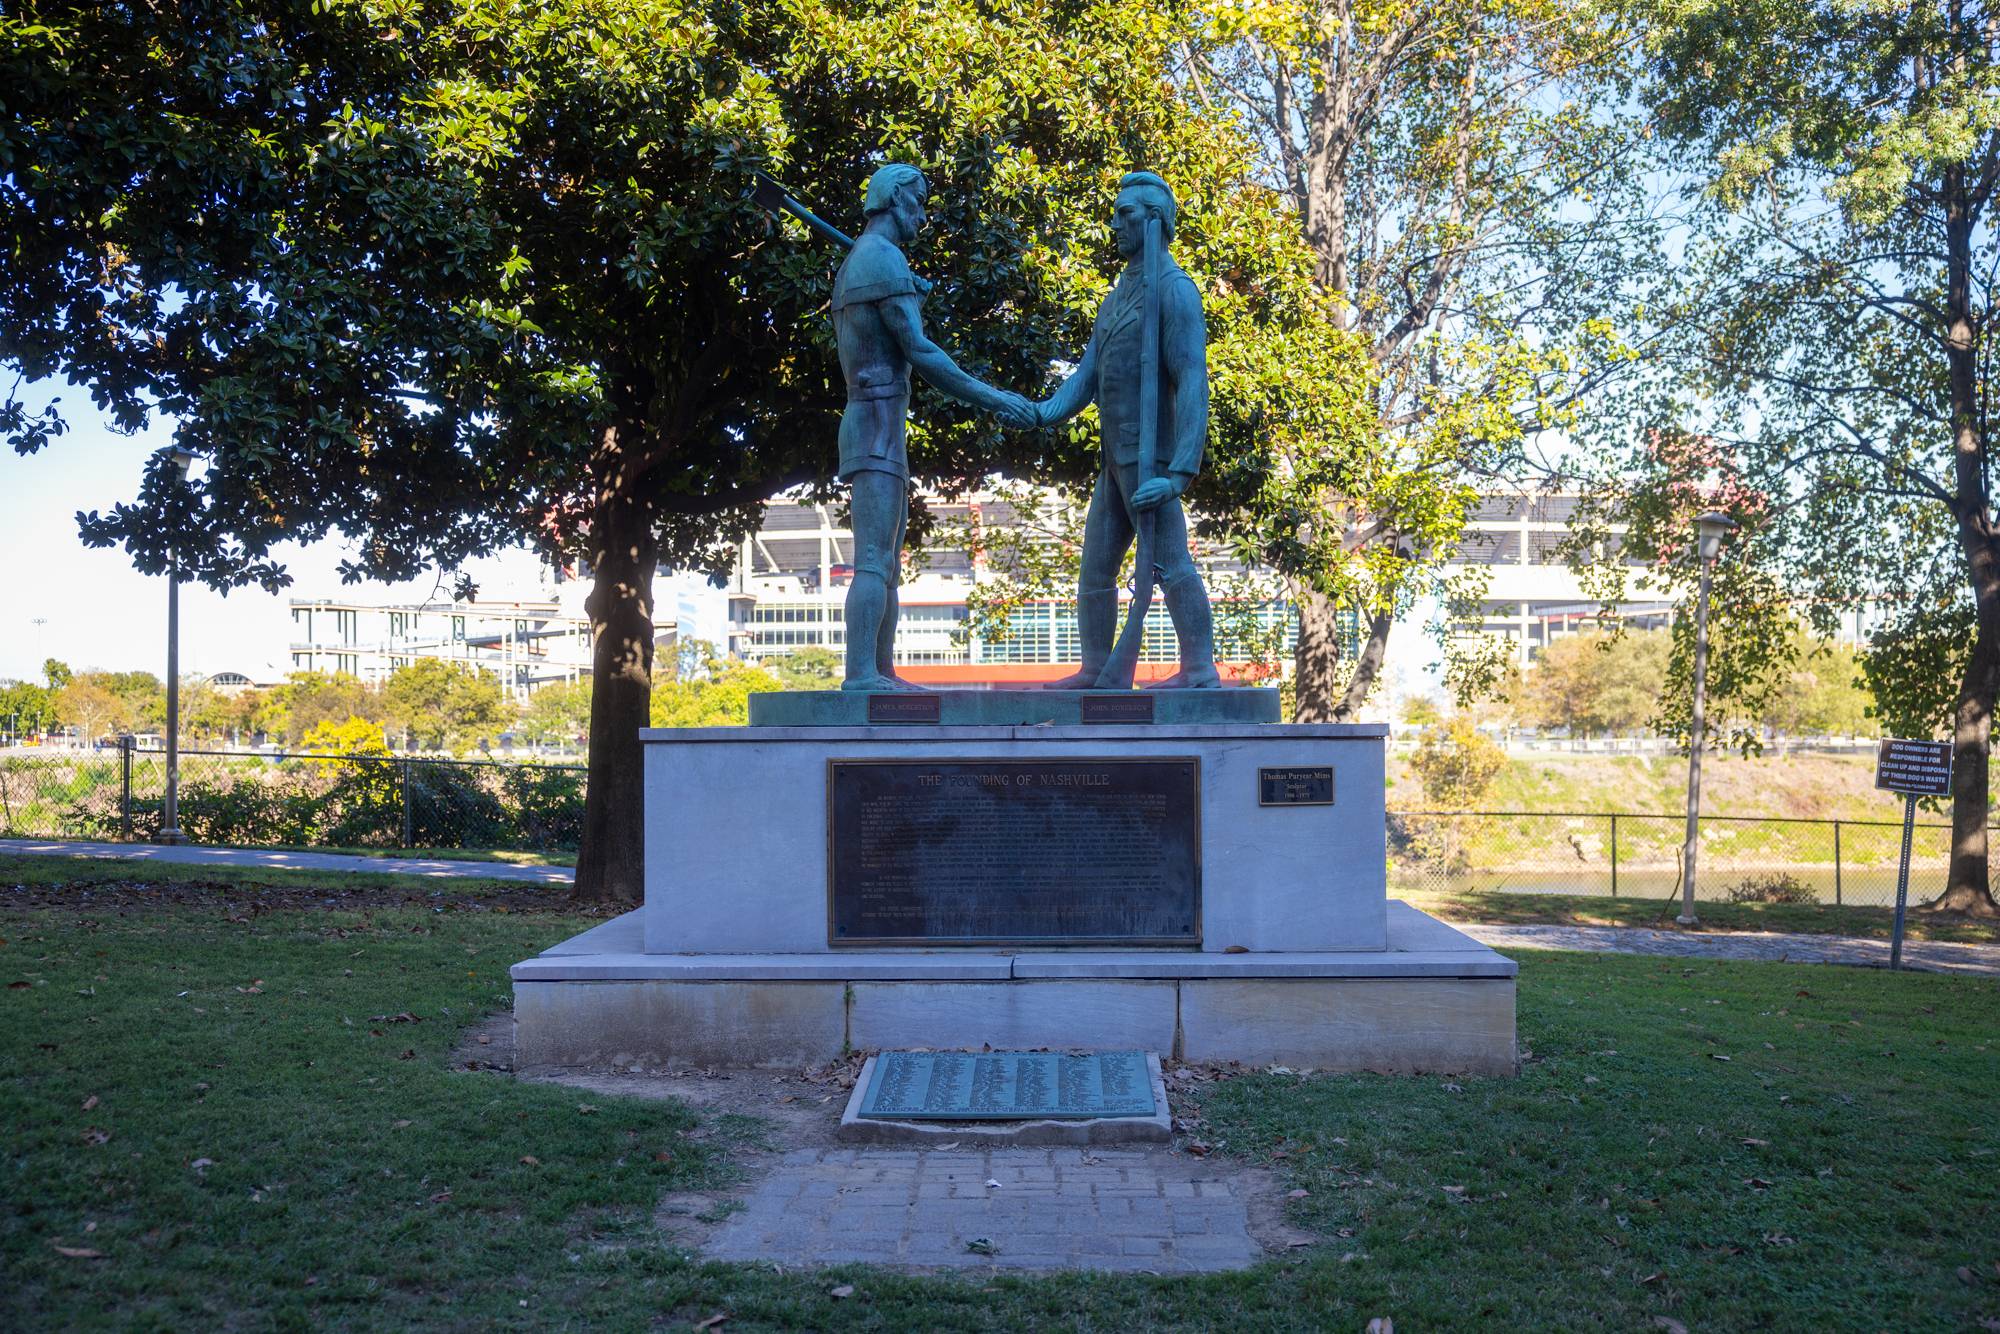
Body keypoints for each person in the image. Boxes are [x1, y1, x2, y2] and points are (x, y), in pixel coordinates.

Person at [831, 163, 1035, 692]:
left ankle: (880, 672)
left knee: (886, 563)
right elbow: (921, 352)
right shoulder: (880, 257)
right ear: (894, 199)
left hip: (879, 425)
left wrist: (907, 297)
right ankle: (862, 675)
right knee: (873, 559)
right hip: (875, 424)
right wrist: (995, 398)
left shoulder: (868, 259)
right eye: (918, 201)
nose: (923, 215)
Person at [1032, 171, 1220, 689]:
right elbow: (1086, 377)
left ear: (1154, 221)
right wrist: (1041, 412)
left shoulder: (1175, 291)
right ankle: (1096, 668)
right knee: (1095, 569)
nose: (1114, 224)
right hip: (1114, 459)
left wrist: (1178, 473)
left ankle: (1199, 670)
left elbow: (1192, 381)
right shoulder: (1116, 299)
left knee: (1172, 562)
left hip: (1151, 460)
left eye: (1125, 214)